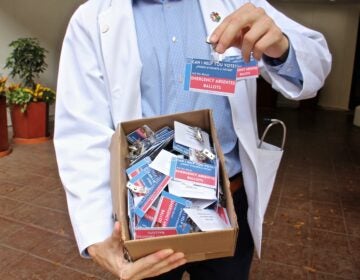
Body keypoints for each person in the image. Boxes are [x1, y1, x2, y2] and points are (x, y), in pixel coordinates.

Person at [54, 0, 331, 279]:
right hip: (147, 213)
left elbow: (315, 63)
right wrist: (96, 234)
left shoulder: (236, 3)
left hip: (227, 204)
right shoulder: (93, 17)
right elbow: (81, 130)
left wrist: (280, 49)